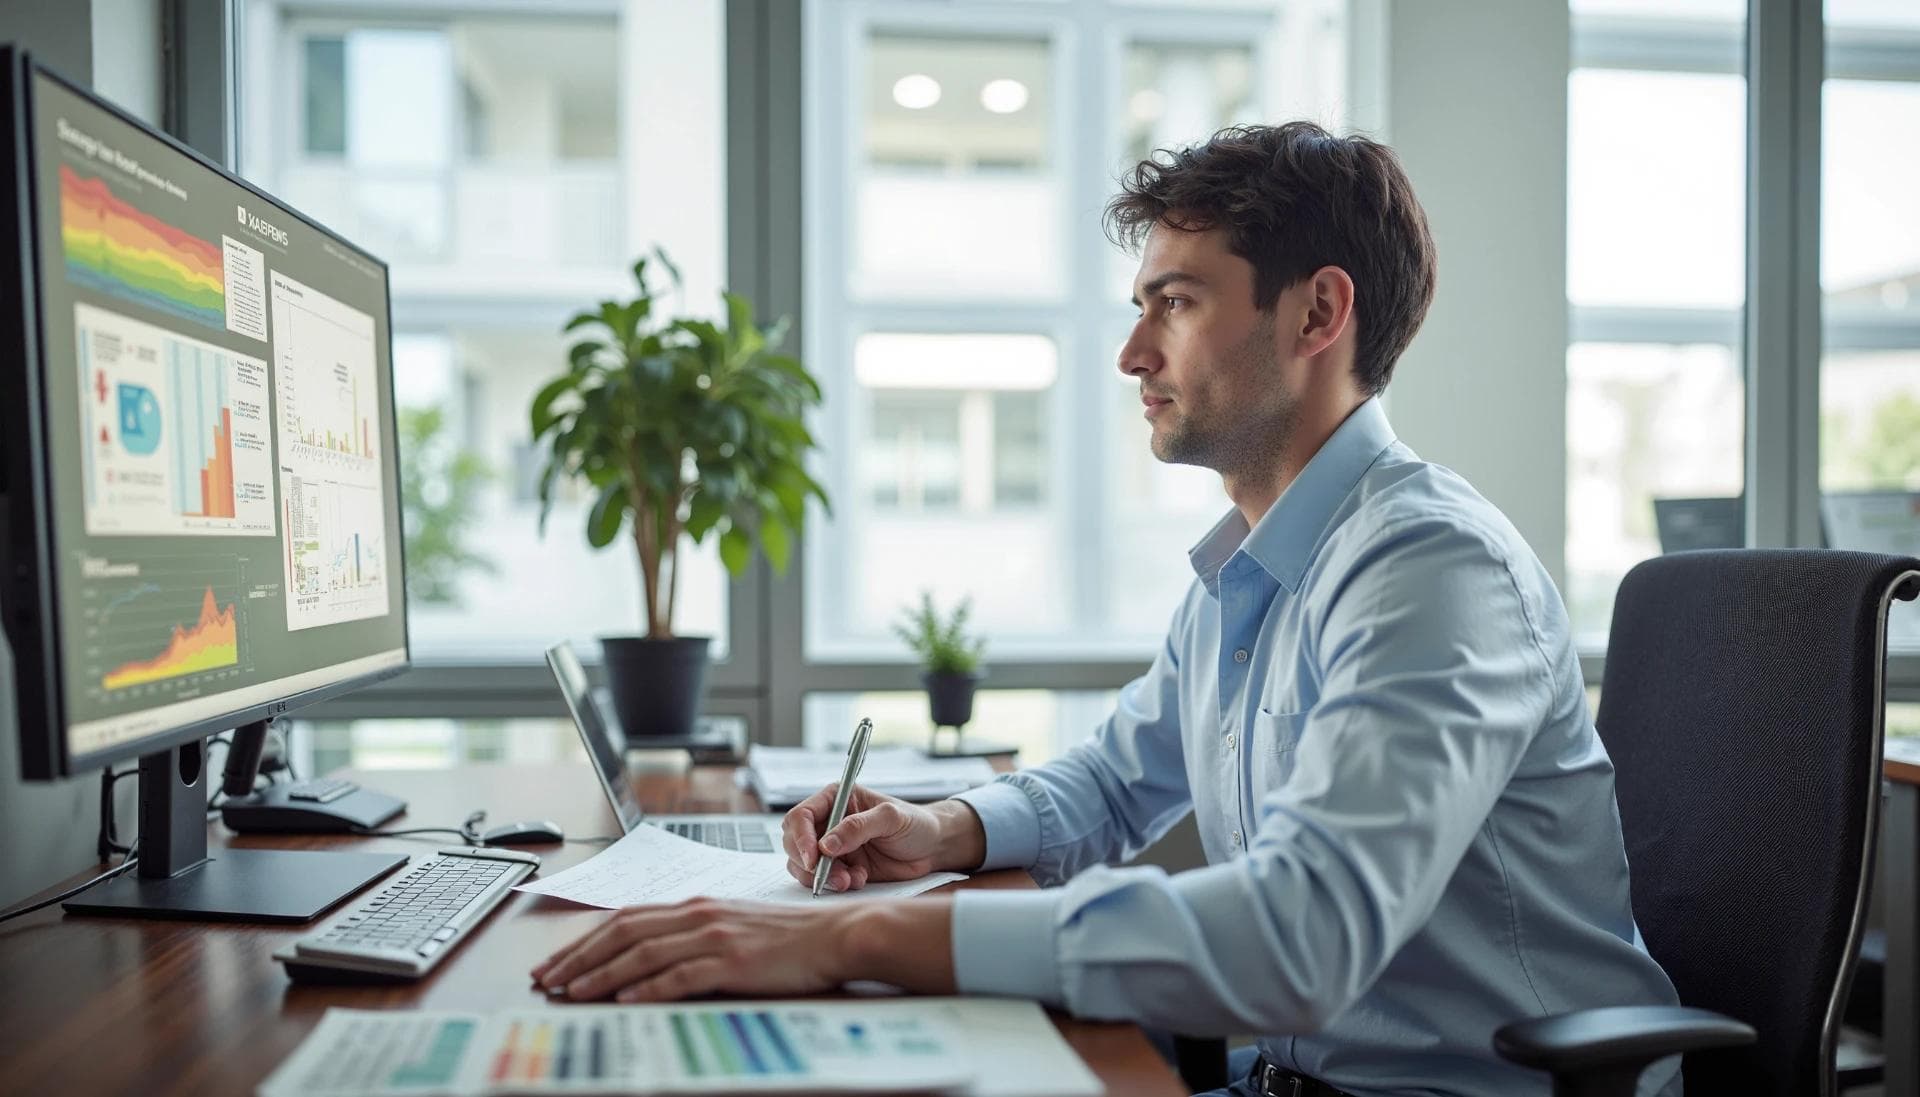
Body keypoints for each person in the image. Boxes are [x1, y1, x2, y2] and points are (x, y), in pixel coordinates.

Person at [532, 121, 1682, 1097]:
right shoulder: (1251, 560)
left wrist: (851, 934)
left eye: (1175, 304)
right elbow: (1118, 779)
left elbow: (1300, 935)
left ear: (1318, 312)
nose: (1134, 352)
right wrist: (943, 829)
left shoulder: (1429, 569)